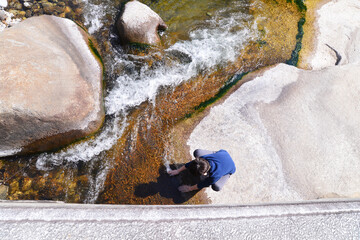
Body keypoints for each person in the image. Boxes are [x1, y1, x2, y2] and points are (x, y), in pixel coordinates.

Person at [168, 149, 236, 192]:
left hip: (230, 168)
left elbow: (203, 184)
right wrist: (178, 170)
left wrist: (189, 188)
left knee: (216, 187)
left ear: (204, 173)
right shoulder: (203, 159)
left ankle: (227, 173)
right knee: (197, 152)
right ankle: (216, 153)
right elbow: (191, 163)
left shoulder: (215, 176)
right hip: (223, 153)